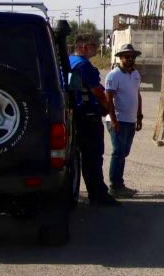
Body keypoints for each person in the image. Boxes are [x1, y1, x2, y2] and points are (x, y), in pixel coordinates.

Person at [68, 32, 119, 207]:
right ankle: (98, 195)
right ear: (83, 47)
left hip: (73, 116)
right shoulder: (84, 66)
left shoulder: (68, 61)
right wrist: (108, 107)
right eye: (93, 46)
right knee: (93, 158)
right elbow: (97, 91)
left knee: (76, 157)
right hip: (88, 117)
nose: (96, 50)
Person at [104, 43, 143, 199]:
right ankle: (115, 186)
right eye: (127, 56)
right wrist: (113, 120)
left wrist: (139, 116)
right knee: (118, 152)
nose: (130, 59)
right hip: (118, 120)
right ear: (120, 58)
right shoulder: (113, 75)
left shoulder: (135, 74)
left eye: (133, 57)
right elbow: (108, 99)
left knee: (124, 152)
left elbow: (137, 95)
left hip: (130, 120)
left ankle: (119, 184)